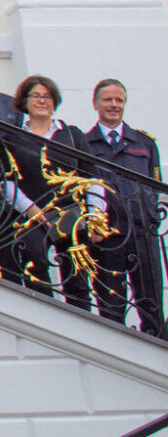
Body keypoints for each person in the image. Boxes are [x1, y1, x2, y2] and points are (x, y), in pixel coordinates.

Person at [0, 75, 97, 310]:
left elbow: (90, 178)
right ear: (25, 101)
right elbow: (6, 181)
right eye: (36, 96)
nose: (42, 101)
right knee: (36, 264)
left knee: (77, 276)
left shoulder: (72, 135)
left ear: (55, 101)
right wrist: (30, 208)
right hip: (31, 215)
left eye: (47, 96)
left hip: (69, 214)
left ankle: (82, 325)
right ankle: (47, 316)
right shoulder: (12, 136)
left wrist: (95, 214)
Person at [82, 79, 164, 336]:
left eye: (119, 100)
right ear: (96, 104)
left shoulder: (144, 142)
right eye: (108, 100)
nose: (114, 105)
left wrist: (151, 217)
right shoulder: (85, 143)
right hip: (107, 236)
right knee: (111, 304)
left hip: (142, 233)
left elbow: (156, 185)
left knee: (151, 302)